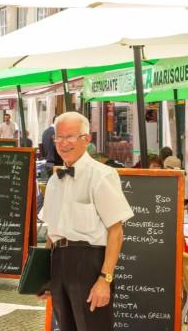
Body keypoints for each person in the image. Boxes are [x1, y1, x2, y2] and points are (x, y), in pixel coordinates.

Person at [39, 112, 133, 330]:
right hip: (59, 262)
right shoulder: (54, 180)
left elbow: (116, 231)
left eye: (70, 137)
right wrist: (45, 277)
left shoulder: (102, 175)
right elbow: (52, 235)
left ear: (86, 139)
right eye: (58, 137)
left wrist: (105, 279)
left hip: (90, 264)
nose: (63, 143)